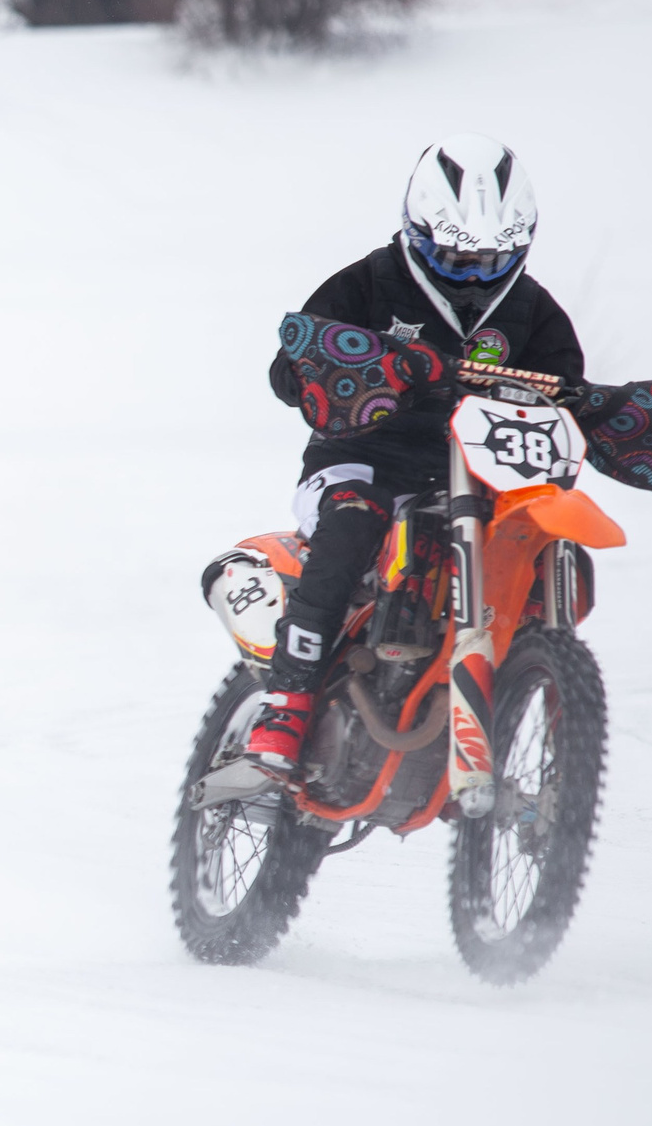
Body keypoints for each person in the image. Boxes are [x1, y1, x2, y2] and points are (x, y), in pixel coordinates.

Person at [242, 134, 574, 772]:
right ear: (417, 233)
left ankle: (539, 692)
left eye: (493, 258)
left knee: (538, 536)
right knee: (353, 521)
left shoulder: (533, 311)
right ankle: (286, 704)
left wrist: (593, 407)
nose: (476, 273)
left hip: (479, 479)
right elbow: (290, 369)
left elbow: (564, 393)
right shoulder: (369, 282)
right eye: (455, 256)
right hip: (359, 463)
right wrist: (356, 370)